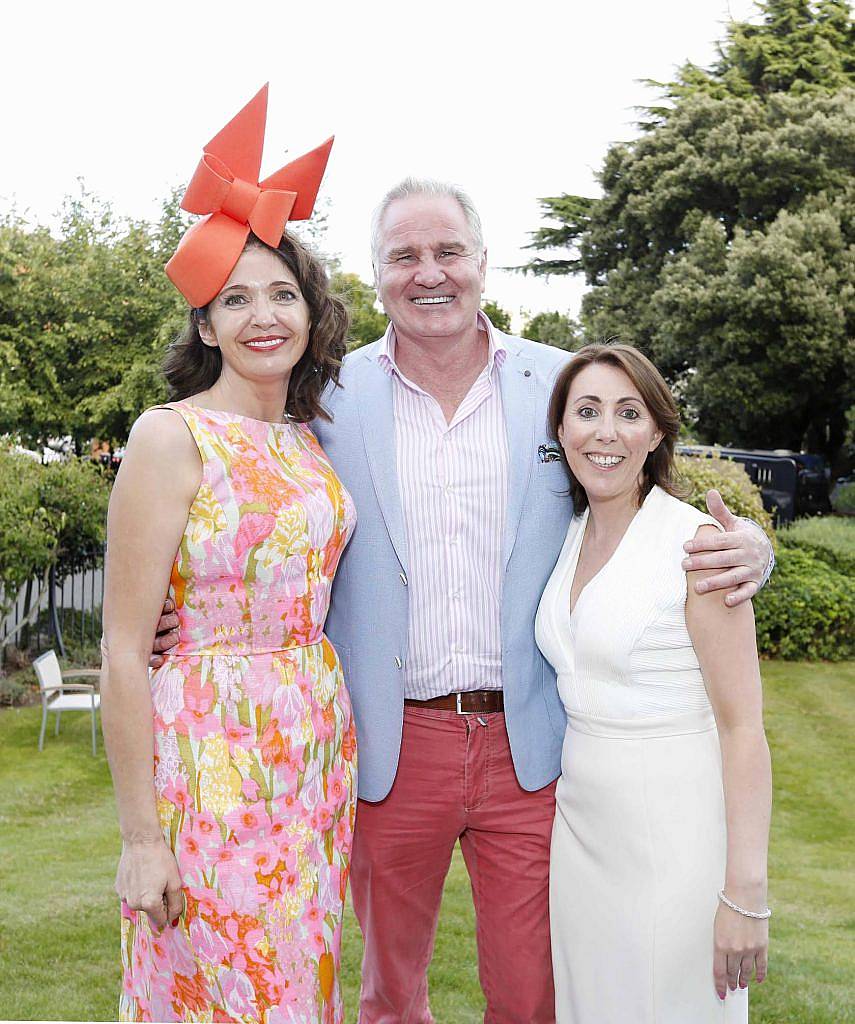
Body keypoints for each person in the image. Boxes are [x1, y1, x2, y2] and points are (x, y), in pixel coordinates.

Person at [154, 177, 774, 1023]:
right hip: (389, 744)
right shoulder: (322, 397)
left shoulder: (558, 386)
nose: (428, 272)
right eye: (403, 256)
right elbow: (251, 507)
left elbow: (644, 495)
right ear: (375, 275)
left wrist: (753, 552)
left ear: (482, 262)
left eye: (447, 251)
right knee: (387, 995)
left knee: (528, 996)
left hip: (528, 744)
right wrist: (176, 618)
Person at [101, 86, 357, 1024]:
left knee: (297, 987)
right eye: (235, 298)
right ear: (204, 325)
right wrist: (141, 837)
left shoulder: (307, 439)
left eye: (282, 294)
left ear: (309, 313)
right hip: (206, 757)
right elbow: (125, 650)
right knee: (216, 988)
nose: (263, 316)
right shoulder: (170, 438)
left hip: (312, 753)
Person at [536, 343, 771, 1022]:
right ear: (559, 429)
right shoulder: (569, 535)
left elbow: (742, 727)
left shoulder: (698, 547)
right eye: (585, 411)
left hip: (675, 842)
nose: (604, 432)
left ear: (657, 432)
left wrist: (743, 892)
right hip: (581, 841)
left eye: (626, 412)